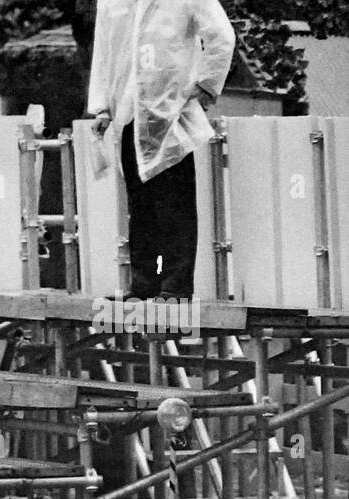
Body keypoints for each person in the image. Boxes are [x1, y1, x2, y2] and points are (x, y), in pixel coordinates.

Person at [88, 0, 234, 301]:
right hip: (128, 112)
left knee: (174, 204)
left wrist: (206, 84)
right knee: (141, 205)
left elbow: (221, 35)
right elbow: (103, 51)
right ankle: (144, 284)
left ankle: (176, 286)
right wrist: (102, 107)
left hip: (170, 112)